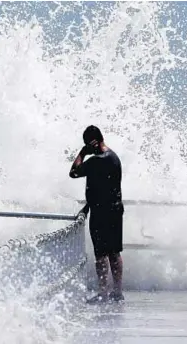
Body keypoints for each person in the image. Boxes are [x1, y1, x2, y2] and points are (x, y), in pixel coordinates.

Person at [69, 125, 125, 304]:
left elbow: (73, 172)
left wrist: (82, 152)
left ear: (94, 142)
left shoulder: (97, 160)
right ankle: (117, 291)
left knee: (101, 254)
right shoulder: (114, 157)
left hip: (102, 212)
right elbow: (103, 187)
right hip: (114, 210)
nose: (88, 147)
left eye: (88, 144)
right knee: (114, 252)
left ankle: (103, 292)